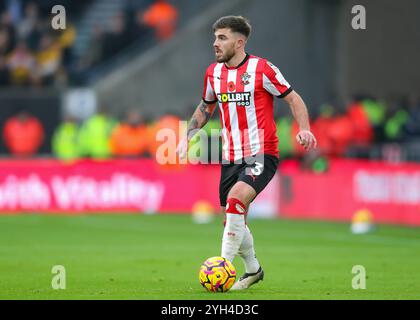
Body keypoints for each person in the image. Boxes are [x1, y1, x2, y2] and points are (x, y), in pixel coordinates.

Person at [176, 16, 317, 290]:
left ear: (239, 42)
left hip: (261, 152)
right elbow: (206, 107)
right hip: (231, 156)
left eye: (222, 38)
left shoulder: (262, 69)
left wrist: (304, 128)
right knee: (232, 217)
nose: (215, 44)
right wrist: (188, 137)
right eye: (215, 38)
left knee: (236, 198)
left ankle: (221, 267)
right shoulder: (212, 74)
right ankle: (253, 270)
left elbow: (292, 97)